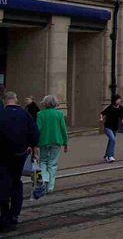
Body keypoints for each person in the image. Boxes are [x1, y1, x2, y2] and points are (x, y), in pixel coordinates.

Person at [0, 92, 39, 232]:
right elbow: (34, 133)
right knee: (16, 183)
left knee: (3, 182)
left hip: (3, 155)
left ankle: (3, 216)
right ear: (15, 100)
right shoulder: (25, 114)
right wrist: (34, 149)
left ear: (5, 101)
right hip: (20, 155)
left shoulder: (1, 114)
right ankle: (14, 215)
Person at [36, 95, 68, 193]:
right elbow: (63, 129)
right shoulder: (59, 114)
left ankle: (44, 180)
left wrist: (34, 143)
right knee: (52, 163)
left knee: (42, 161)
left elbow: (37, 129)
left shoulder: (40, 114)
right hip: (56, 140)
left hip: (43, 141)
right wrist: (65, 143)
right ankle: (50, 186)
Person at [100, 95, 123, 163]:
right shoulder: (110, 108)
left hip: (114, 127)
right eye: (118, 100)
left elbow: (122, 115)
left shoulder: (120, 108)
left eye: (120, 99)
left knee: (111, 141)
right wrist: (101, 118)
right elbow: (102, 113)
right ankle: (110, 156)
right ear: (114, 100)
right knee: (113, 140)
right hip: (108, 127)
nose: (119, 101)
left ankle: (106, 156)